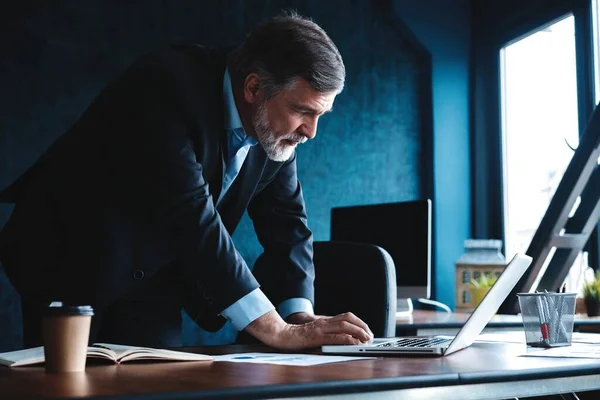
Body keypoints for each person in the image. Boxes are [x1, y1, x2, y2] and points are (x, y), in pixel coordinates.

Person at [0, 12, 373, 350]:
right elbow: (190, 215)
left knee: (158, 384)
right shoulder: (164, 87)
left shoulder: (275, 129)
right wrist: (275, 329)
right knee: (68, 388)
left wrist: (297, 315)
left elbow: (288, 225)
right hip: (69, 257)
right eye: (303, 112)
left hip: (154, 271)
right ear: (254, 88)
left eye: (321, 114)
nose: (311, 132)